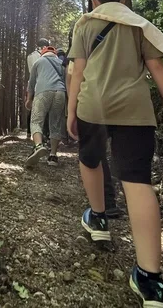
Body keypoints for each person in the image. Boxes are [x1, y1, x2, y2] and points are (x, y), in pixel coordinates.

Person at [67, 0, 163, 308]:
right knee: (137, 181)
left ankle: (99, 218)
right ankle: (150, 280)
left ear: (93, 1)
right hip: (135, 109)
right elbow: (157, 66)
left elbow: (78, 70)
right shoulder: (138, 25)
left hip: (94, 106)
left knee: (90, 158)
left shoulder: (85, 25)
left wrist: (71, 111)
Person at [65, 38, 122, 219]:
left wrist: (72, 109)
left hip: (92, 105)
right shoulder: (114, 43)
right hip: (122, 99)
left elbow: (73, 77)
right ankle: (118, 198)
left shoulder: (78, 51)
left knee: (96, 155)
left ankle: (106, 203)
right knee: (120, 151)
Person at [25, 45, 66, 167]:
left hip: (43, 92)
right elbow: (66, 80)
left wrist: (29, 99)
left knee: (36, 120)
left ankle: (38, 146)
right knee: (56, 123)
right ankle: (53, 156)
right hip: (60, 93)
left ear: (43, 53)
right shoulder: (61, 63)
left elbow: (31, 83)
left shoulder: (38, 61)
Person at [26, 38, 51, 141]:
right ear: (45, 46)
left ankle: (30, 132)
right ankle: (44, 134)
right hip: (44, 84)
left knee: (33, 108)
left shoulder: (30, 56)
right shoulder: (45, 56)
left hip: (33, 84)